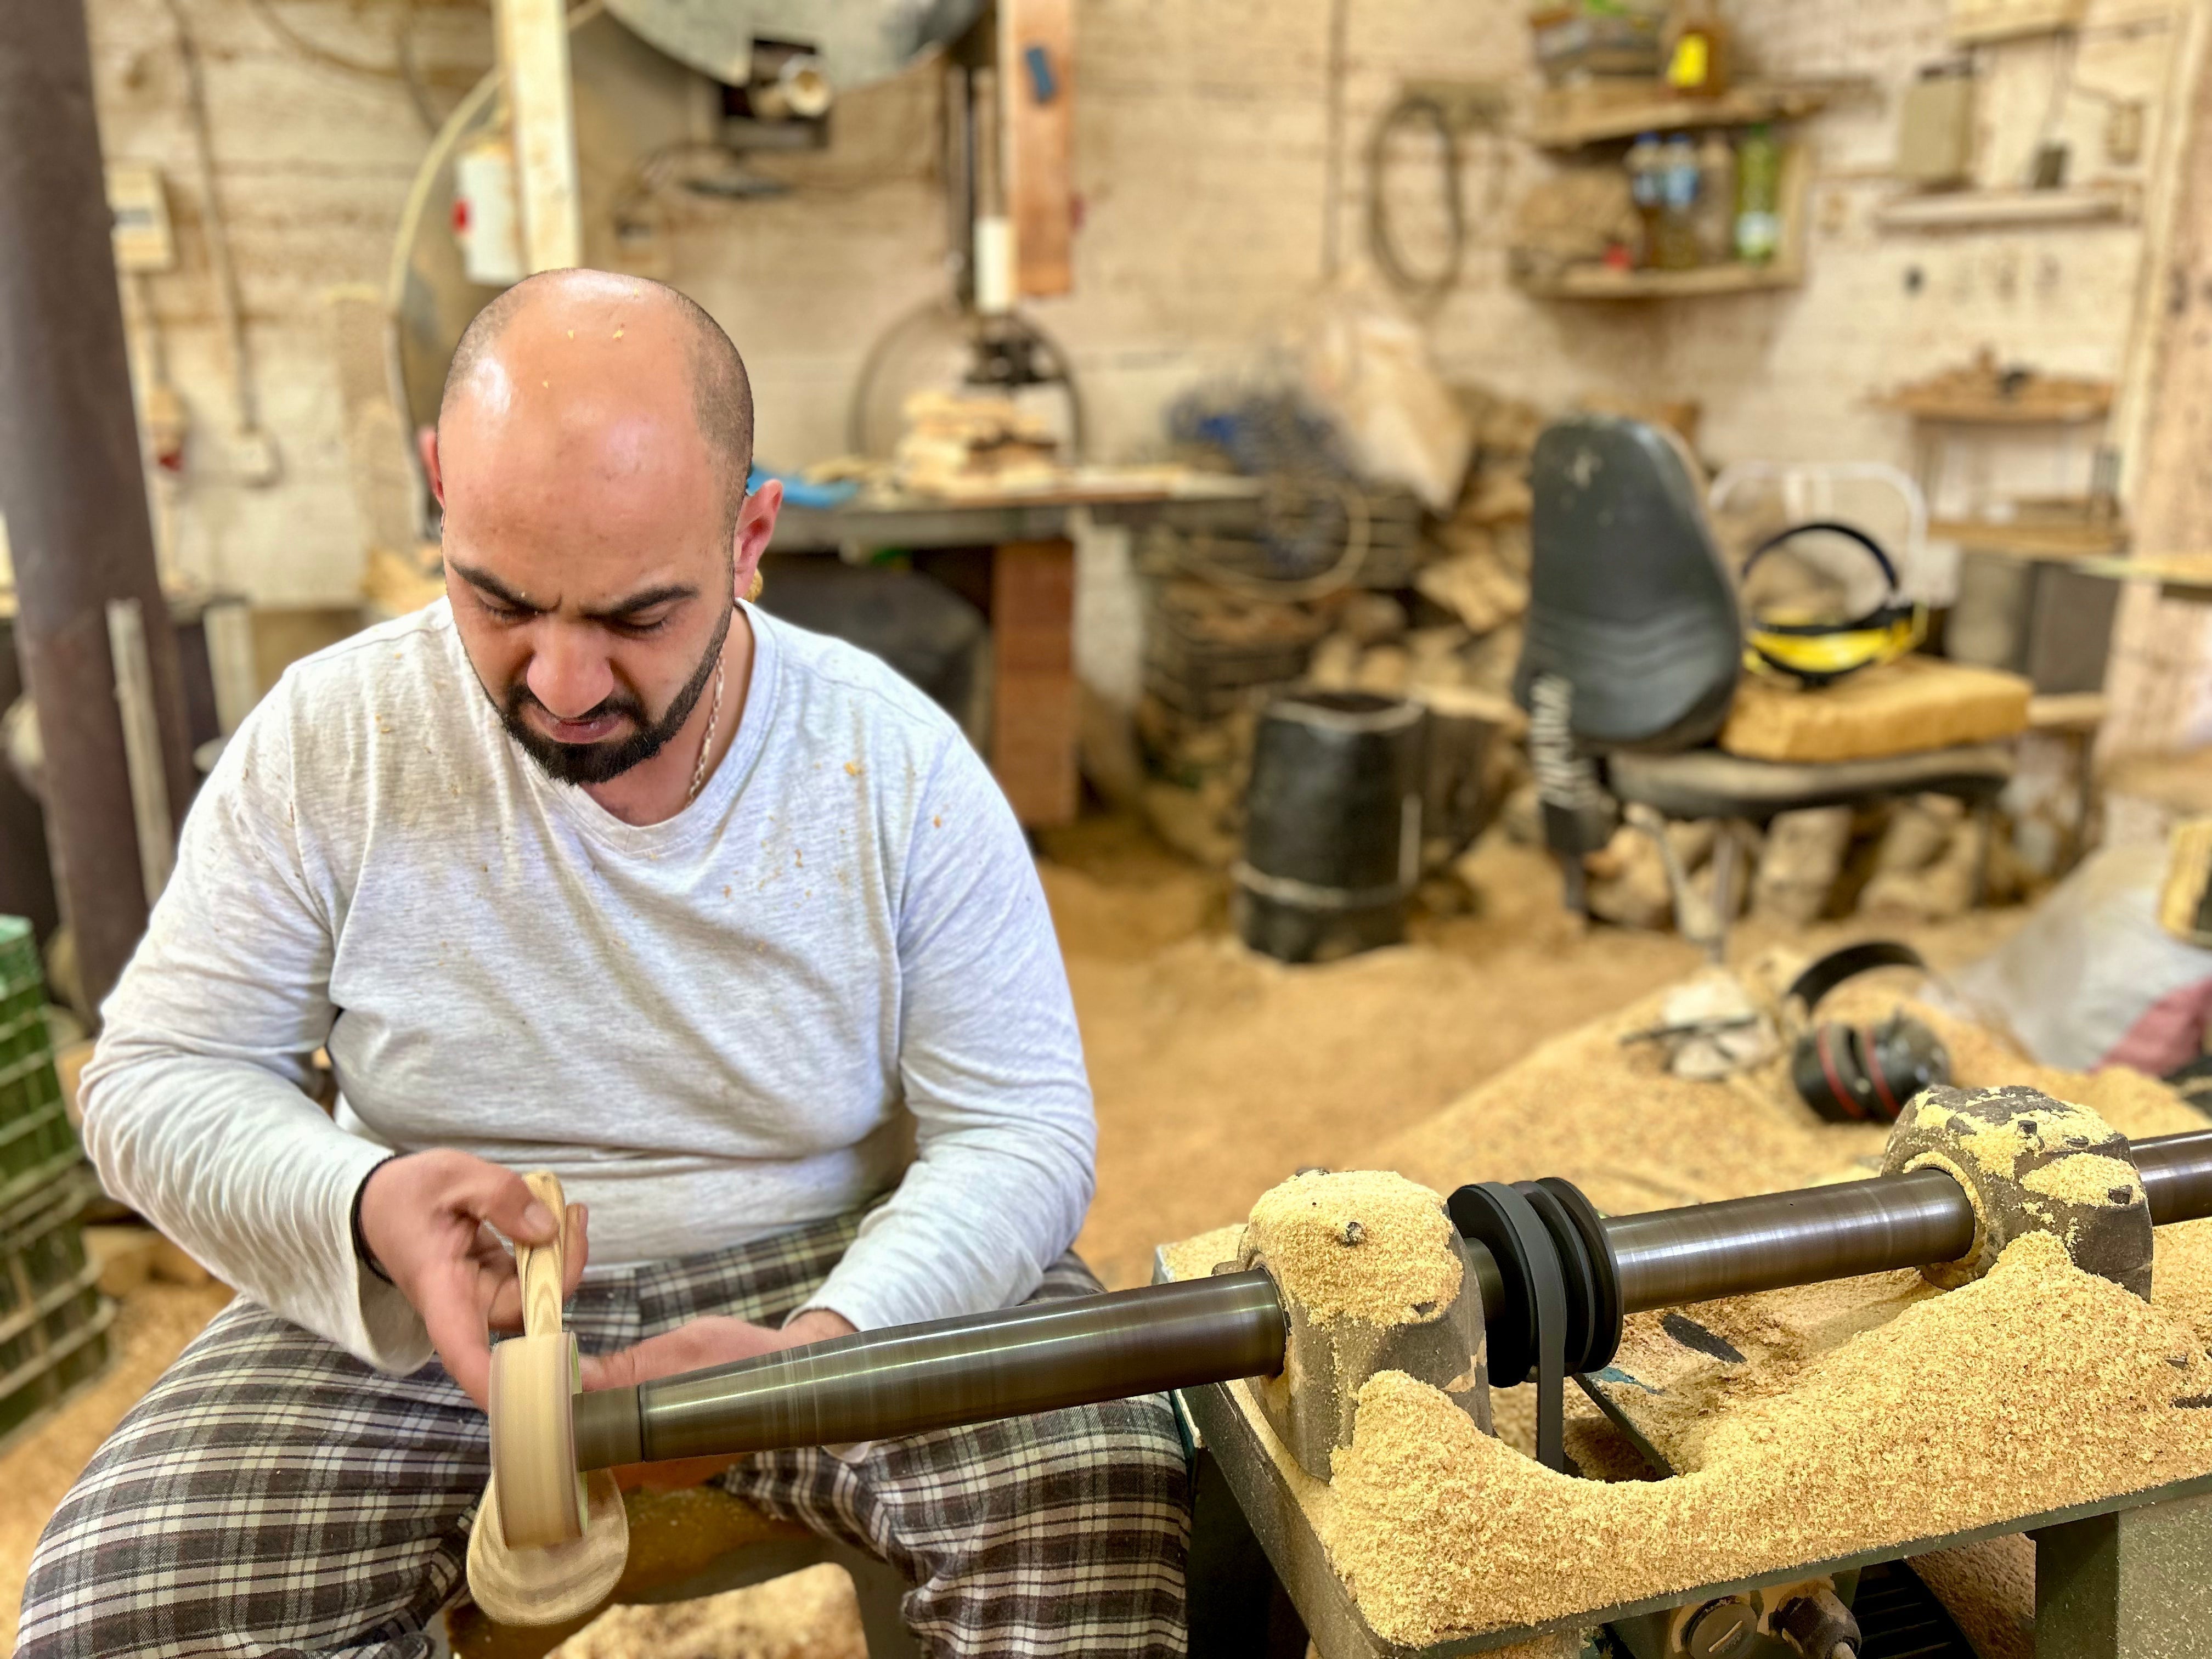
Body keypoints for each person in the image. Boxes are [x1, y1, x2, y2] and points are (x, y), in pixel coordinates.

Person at [19, 270, 1188, 1657]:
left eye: (636, 618)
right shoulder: (336, 737)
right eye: (500, 601)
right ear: (440, 484)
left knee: (1109, 1496)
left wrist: (832, 1347)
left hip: (833, 1267)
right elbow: (154, 1077)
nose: (563, 686)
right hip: (438, 1304)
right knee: (119, 1606)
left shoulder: (892, 761)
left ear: (751, 535)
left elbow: (1023, 1125)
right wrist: (365, 1205)